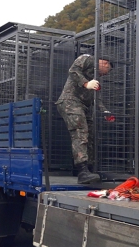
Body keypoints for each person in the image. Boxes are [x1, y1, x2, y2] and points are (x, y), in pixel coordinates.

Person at [56, 54, 113, 184]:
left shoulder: (96, 78)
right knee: (80, 132)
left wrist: (105, 111)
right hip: (70, 101)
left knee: (90, 135)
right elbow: (73, 71)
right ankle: (82, 171)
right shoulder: (88, 59)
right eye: (107, 70)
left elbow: (96, 98)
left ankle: (89, 169)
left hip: (84, 106)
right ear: (105, 63)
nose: (105, 74)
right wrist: (86, 83)